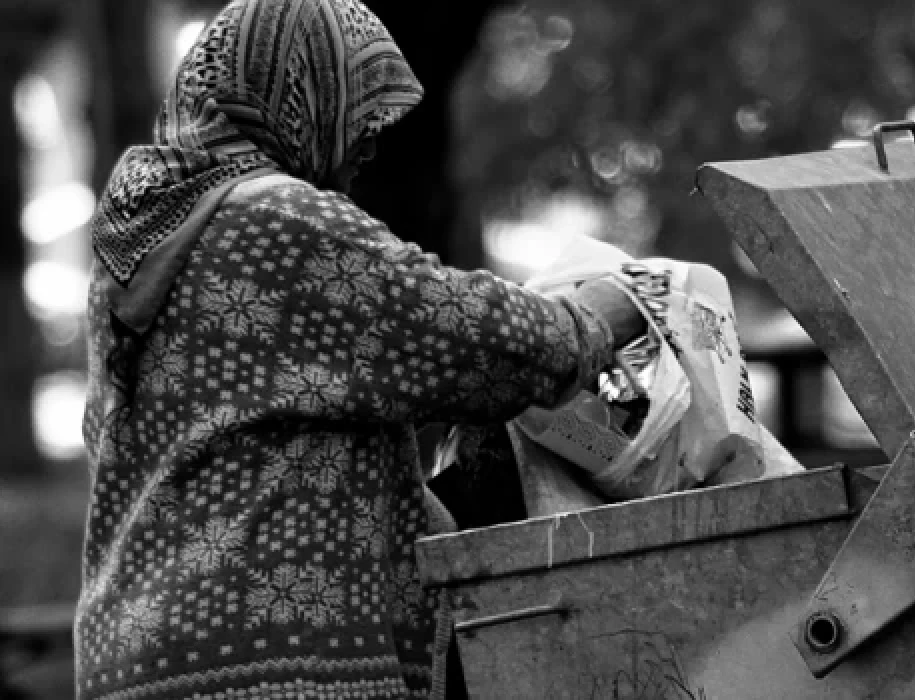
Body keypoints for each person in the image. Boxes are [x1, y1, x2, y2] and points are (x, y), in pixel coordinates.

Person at [76, 1, 644, 698]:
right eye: (357, 113)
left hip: (136, 648)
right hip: (272, 655)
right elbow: (468, 333)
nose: (370, 145)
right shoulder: (276, 218)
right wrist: (596, 319)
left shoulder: (144, 225)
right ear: (297, 94)